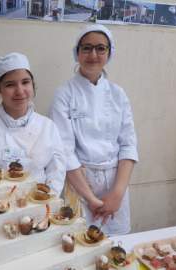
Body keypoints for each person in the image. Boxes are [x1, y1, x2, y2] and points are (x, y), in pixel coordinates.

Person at [49, 24, 138, 236]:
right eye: (87, 48)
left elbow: (128, 145)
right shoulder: (64, 94)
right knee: (79, 247)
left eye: (101, 48)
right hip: (79, 185)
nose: (94, 55)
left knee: (116, 249)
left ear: (109, 53)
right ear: (77, 53)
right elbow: (64, 150)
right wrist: (91, 199)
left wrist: (116, 194)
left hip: (116, 183)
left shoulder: (118, 94)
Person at [0, 52, 65, 201]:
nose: (20, 91)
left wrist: (41, 203)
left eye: (25, 82)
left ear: (33, 84)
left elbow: (56, 173)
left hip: (39, 208)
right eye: (10, 85)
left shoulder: (48, 127)